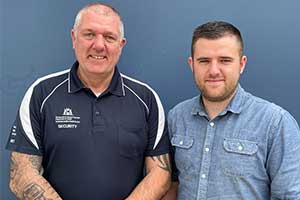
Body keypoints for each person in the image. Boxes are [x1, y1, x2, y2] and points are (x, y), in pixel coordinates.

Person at [6, 3, 171, 200]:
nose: (99, 45)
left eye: (109, 37)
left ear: (121, 44)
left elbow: (160, 174)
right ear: (74, 38)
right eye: (89, 34)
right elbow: (21, 174)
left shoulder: (146, 99)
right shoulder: (41, 94)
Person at [167, 21, 300, 199]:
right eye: (204, 61)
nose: (214, 71)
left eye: (225, 60)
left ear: (241, 64)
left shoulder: (275, 123)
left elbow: (288, 196)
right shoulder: (177, 116)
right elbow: (171, 183)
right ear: (192, 64)